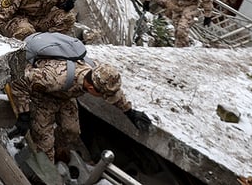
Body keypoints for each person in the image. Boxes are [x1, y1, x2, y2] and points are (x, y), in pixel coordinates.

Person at [10, 54, 151, 163]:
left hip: (65, 96)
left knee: (72, 131)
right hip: (42, 96)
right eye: (102, 95)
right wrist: (23, 113)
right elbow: (18, 81)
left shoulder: (97, 73)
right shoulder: (55, 78)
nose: (104, 98)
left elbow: (113, 93)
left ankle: (57, 147)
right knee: (45, 147)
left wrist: (130, 112)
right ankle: (41, 162)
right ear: (91, 88)